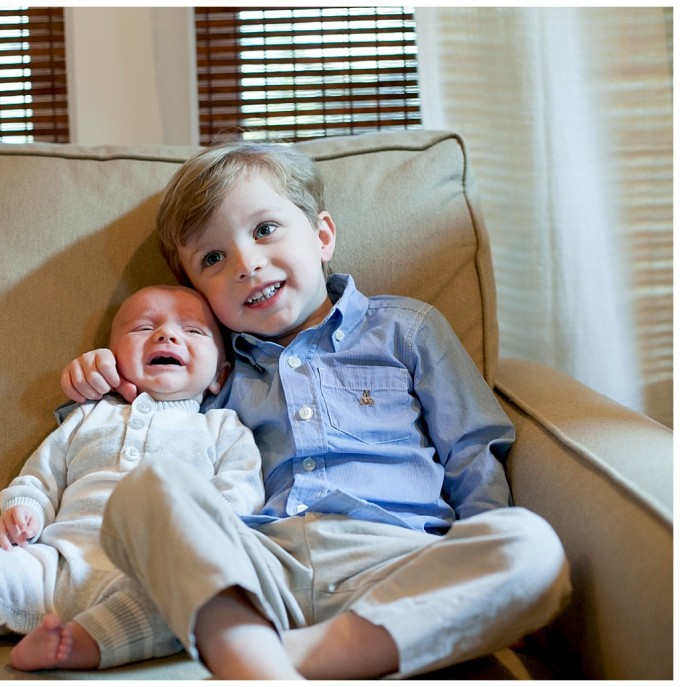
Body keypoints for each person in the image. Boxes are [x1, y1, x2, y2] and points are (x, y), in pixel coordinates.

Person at [60, 141, 572, 679]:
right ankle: (257, 649)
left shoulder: (406, 328)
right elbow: (141, 429)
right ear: (200, 296)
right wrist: (104, 374)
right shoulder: (215, 371)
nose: (247, 264)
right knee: (143, 490)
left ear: (323, 236)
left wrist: (475, 557)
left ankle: (273, 665)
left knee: (532, 548)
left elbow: (472, 450)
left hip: (399, 560)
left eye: (264, 230)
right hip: (259, 571)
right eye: (213, 258)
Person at [0, 284, 264, 671]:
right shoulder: (88, 415)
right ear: (111, 357)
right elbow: (40, 475)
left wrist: (201, 538)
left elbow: (240, 491)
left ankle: (76, 645)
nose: (166, 336)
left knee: (176, 603)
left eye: (191, 330)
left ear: (220, 376)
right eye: (144, 328)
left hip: (149, 568)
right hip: (55, 558)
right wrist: (23, 511)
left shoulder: (221, 429)